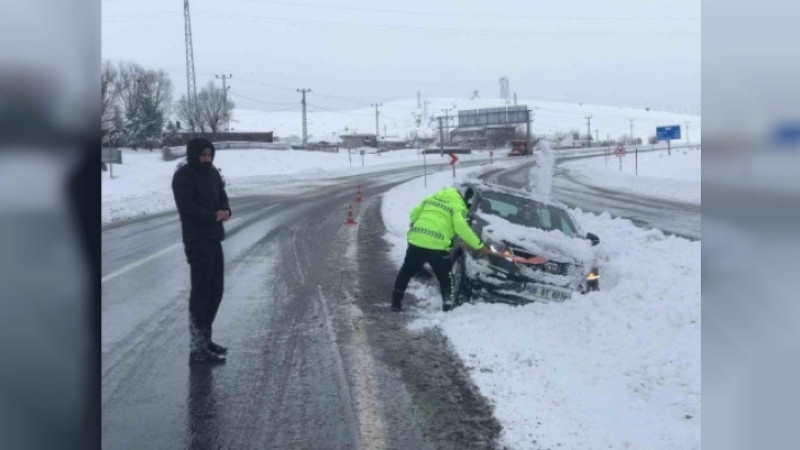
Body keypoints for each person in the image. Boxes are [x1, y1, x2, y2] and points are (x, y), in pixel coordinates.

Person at [172, 138, 232, 364]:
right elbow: (186, 207)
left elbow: (222, 197)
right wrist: (212, 216)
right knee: (201, 292)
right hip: (196, 240)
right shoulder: (184, 176)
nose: (207, 159)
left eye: (209, 154)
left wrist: (226, 210)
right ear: (193, 154)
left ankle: (206, 339)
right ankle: (197, 348)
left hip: (214, 238)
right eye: (203, 155)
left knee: (216, 290)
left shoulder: (213, 173)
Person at [391, 186, 494, 312]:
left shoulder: (430, 199)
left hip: (416, 241)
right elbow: (462, 228)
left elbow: (413, 215)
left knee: (406, 272)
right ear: (461, 197)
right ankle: (447, 307)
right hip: (437, 246)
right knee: (446, 278)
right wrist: (479, 245)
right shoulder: (457, 206)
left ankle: (395, 303)